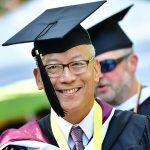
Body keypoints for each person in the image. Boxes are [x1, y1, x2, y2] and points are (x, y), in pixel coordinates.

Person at [0, 2, 150, 150]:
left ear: (96, 70)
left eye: (78, 64)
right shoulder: (21, 145)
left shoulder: (141, 130)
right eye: (53, 67)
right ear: (39, 79)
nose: (67, 78)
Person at [88, 5, 150, 115]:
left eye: (107, 65)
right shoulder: (89, 120)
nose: (99, 75)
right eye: (92, 69)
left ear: (132, 63)